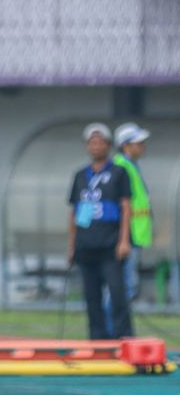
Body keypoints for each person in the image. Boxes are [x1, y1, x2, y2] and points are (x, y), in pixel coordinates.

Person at [68, 122, 133, 340]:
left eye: (100, 142)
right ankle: (97, 340)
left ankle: (123, 338)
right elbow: (74, 213)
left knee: (117, 294)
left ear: (108, 145)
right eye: (92, 142)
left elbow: (126, 207)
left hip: (110, 245)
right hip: (86, 246)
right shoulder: (80, 175)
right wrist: (72, 246)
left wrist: (124, 241)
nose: (96, 146)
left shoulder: (119, 173)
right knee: (91, 297)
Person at [103, 122, 152, 335]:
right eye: (137, 143)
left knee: (125, 286)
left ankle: (119, 332)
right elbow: (123, 205)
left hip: (133, 236)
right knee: (120, 287)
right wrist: (123, 239)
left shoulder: (131, 165)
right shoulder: (121, 166)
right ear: (125, 145)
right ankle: (114, 333)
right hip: (125, 237)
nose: (142, 146)